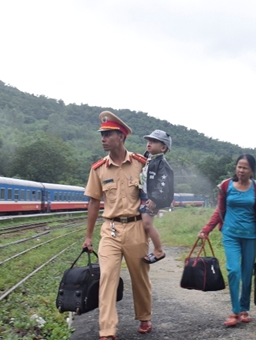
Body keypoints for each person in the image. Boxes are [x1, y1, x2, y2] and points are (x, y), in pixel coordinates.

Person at [82, 111, 153, 338]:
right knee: (107, 277)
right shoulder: (98, 169)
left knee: (139, 277)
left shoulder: (141, 165)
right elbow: (94, 203)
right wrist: (88, 237)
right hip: (110, 229)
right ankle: (108, 329)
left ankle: (144, 317)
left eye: (108, 134)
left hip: (136, 229)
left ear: (121, 136)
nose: (103, 138)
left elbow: (154, 195)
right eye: (102, 135)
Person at [198, 154, 256, 327]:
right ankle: (235, 310)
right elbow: (220, 210)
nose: (241, 170)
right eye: (239, 166)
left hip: (250, 236)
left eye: (245, 167)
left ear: (252, 170)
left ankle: (244, 309)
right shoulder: (226, 186)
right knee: (233, 271)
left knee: (247, 273)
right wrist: (206, 229)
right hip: (230, 234)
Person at [140, 130, 174, 264]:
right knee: (140, 224)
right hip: (143, 196)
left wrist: (155, 199)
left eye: (153, 142)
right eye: (149, 141)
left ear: (163, 147)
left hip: (151, 198)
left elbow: (163, 184)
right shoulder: (146, 160)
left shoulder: (162, 164)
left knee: (147, 224)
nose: (149, 144)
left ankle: (159, 250)